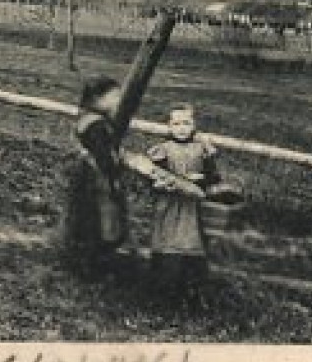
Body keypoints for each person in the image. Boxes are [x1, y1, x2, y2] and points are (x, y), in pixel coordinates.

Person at [144, 104, 221, 296]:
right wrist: (158, 184)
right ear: (169, 126)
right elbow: (152, 176)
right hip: (169, 205)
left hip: (192, 207)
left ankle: (191, 290)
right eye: (176, 123)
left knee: (192, 243)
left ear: (194, 125)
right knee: (167, 241)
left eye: (186, 123)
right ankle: (162, 289)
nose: (181, 128)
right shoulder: (162, 150)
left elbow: (214, 177)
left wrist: (201, 179)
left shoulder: (201, 149)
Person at [62, 76, 132, 275]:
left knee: (85, 216)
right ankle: (92, 264)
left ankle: (83, 258)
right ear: (97, 99)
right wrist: (115, 173)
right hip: (97, 177)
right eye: (114, 97)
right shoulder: (97, 125)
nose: (118, 101)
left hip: (85, 175)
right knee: (100, 218)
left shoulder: (85, 118)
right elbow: (103, 156)